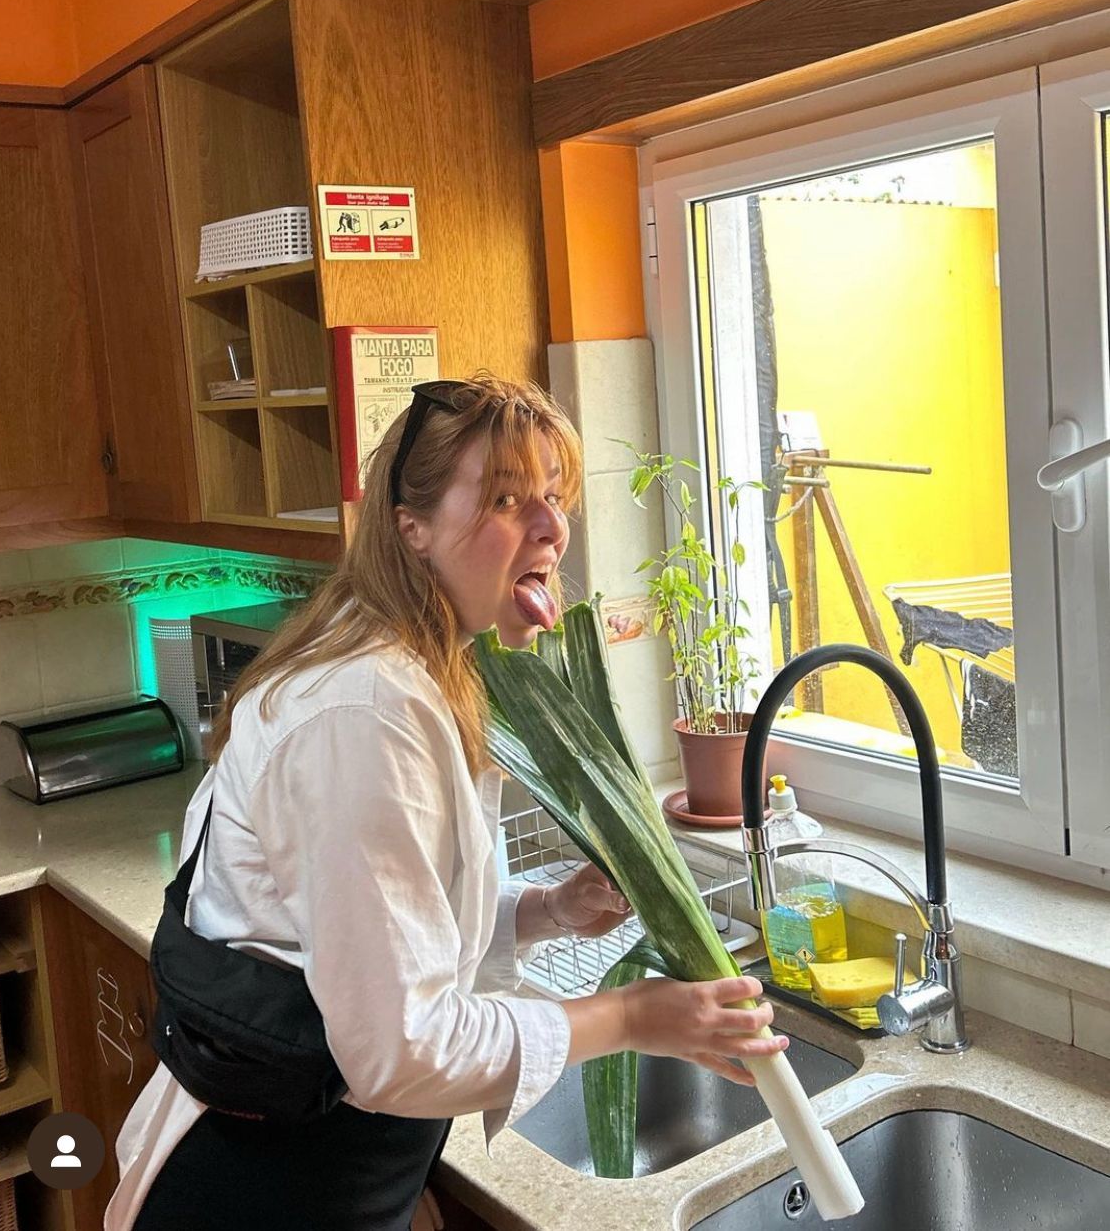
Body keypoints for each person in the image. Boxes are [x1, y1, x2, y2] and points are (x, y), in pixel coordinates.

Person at [106, 375, 786, 1231]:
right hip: (264, 1185)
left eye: (553, 495)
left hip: (330, 1161)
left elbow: (379, 926)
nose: (549, 527)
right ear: (410, 527)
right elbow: (398, 1050)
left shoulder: (417, 670)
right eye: (505, 499)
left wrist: (541, 910)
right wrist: (628, 1017)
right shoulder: (366, 711)